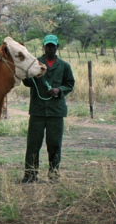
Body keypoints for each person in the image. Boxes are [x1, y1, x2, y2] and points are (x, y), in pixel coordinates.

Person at [21, 34, 75, 183]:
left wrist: (59, 90)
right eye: (48, 46)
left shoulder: (64, 66)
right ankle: (30, 175)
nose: (50, 48)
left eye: (53, 46)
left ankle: (53, 174)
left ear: (57, 47)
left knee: (54, 144)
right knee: (33, 144)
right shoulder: (35, 63)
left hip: (56, 111)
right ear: (43, 46)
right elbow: (27, 83)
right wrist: (27, 72)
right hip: (38, 110)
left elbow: (70, 84)